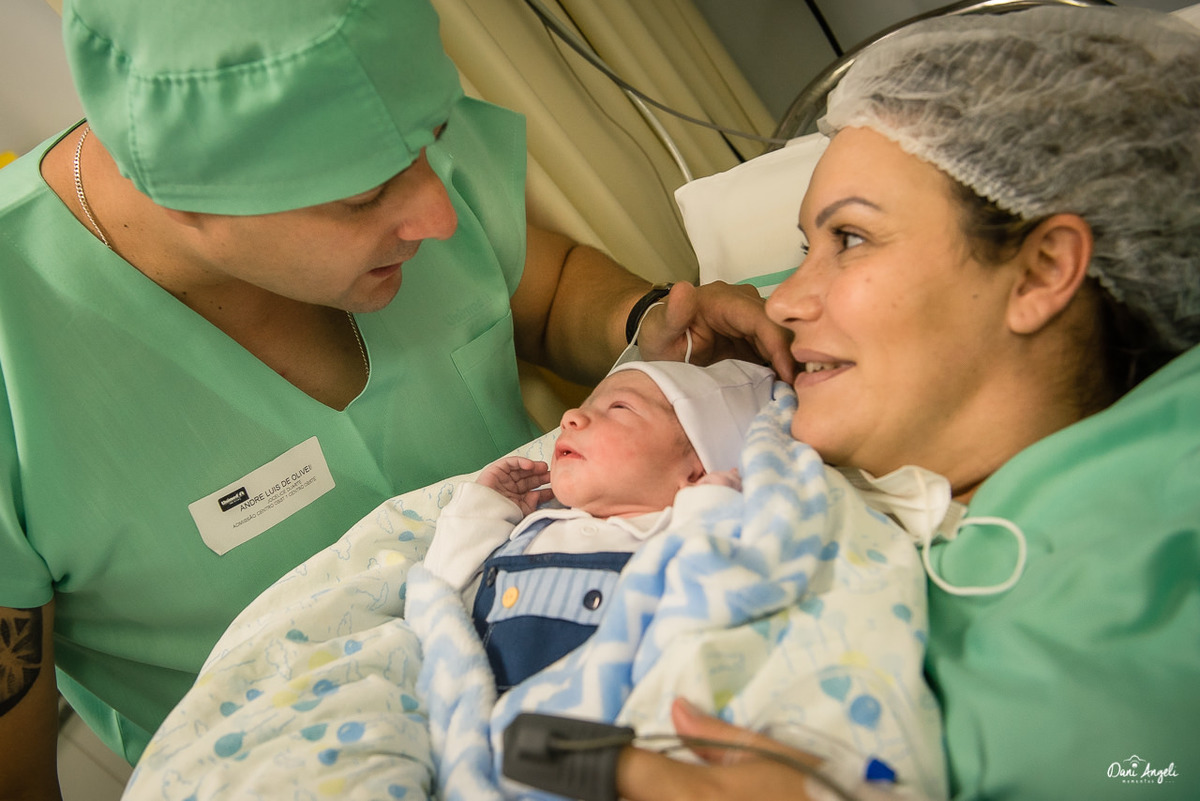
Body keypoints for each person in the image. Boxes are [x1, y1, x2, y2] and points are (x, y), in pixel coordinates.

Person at [0, 0, 794, 797]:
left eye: (432, 143)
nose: (438, 215)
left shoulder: (383, 123)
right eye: (364, 196)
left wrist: (647, 322)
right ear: (186, 198)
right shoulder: (15, 362)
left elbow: (547, 291)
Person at [611, 6, 1200, 800]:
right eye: (803, 249)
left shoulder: (1164, 538)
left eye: (849, 238)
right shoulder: (771, 482)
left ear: (1041, 271)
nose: (782, 300)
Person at [423, 359, 775, 690]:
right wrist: (484, 509)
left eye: (619, 407)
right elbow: (439, 603)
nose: (570, 416)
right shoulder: (528, 532)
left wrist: (712, 506)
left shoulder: (682, 540)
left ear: (696, 471)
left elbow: (717, 603)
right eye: (584, 405)